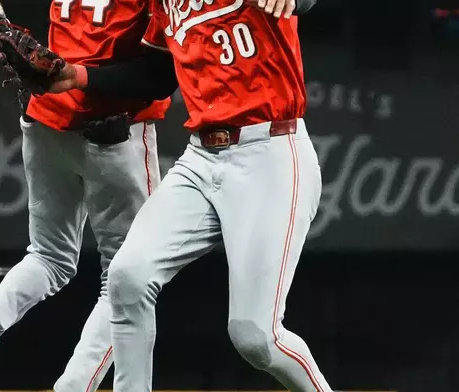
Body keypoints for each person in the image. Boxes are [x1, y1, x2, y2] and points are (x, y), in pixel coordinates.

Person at [49, 0, 334, 390]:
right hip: (201, 157)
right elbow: (156, 75)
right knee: (127, 277)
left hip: (271, 152)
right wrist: (79, 76)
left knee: (256, 337)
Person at [0, 0, 175, 391]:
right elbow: (160, 77)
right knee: (125, 281)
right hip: (112, 129)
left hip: (45, 118)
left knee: (48, 257)